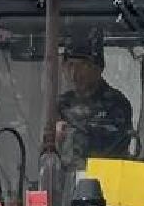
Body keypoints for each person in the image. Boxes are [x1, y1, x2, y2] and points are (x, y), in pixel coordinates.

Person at [55, 29, 134, 169]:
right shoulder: (62, 104)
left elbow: (108, 148)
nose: (74, 73)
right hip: (65, 184)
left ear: (98, 68)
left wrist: (67, 133)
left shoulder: (116, 104)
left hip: (105, 182)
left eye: (82, 65)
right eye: (70, 65)